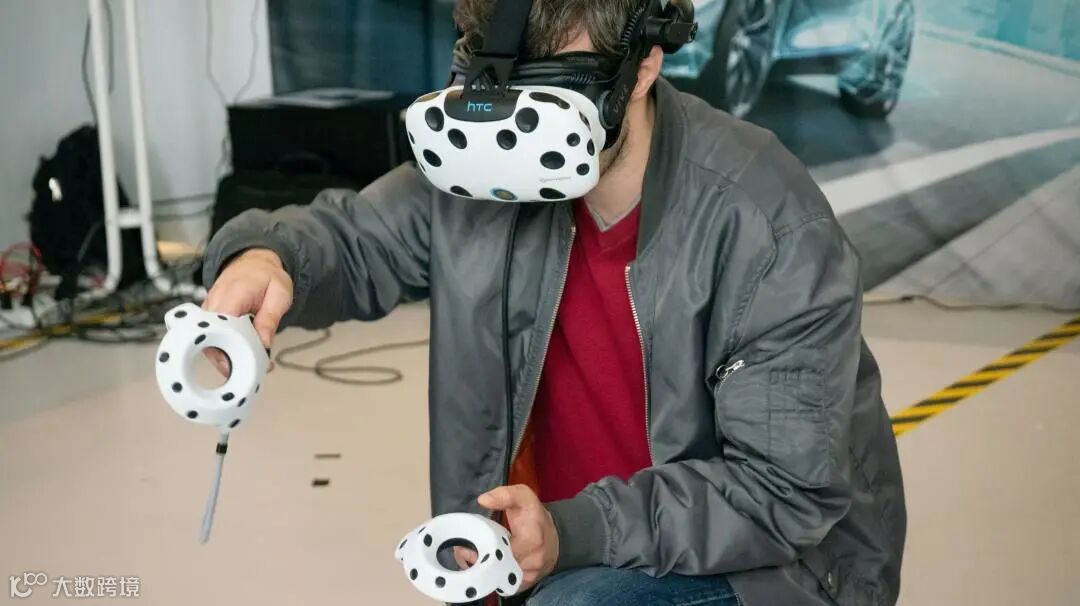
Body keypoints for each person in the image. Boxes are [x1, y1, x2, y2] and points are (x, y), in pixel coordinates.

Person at [201, 1, 906, 604]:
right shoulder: (485, 178)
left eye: (554, 85)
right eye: (498, 81)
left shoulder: (764, 220)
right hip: (549, 546)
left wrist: (575, 532)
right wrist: (266, 257)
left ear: (643, 66)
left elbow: (783, 492)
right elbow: (354, 239)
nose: (518, 120)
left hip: (770, 571)